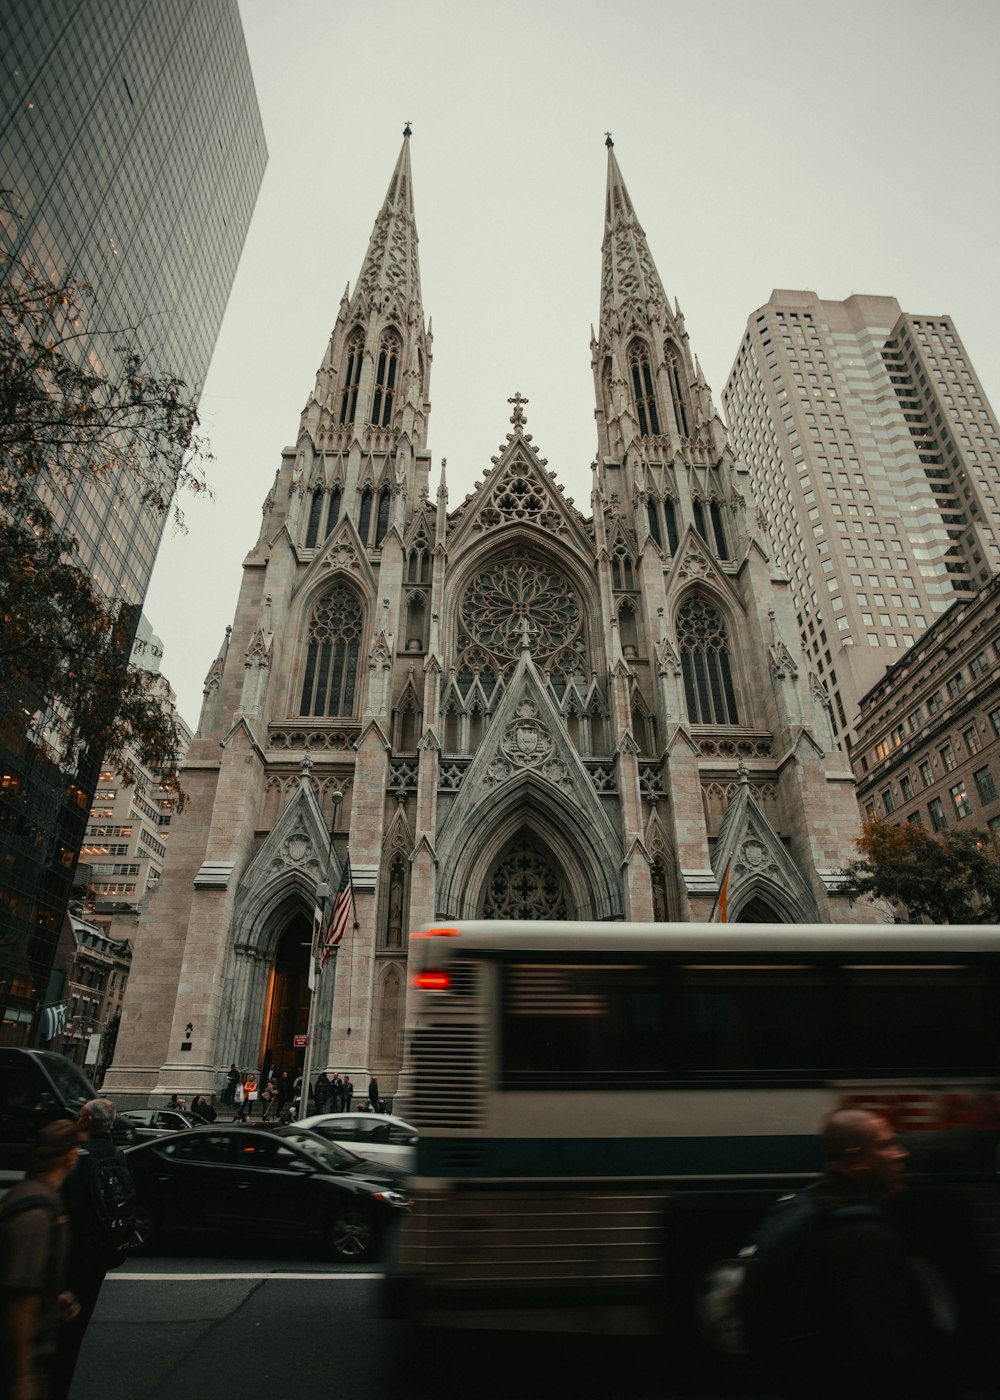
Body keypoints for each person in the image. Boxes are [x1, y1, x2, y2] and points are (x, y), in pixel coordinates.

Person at [744, 1108, 947, 1400]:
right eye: (886, 1145)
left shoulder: (800, 1209)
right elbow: (882, 1345)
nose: (900, 1155)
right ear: (856, 1159)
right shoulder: (864, 1234)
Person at [53, 1099, 136, 1399]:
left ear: (86, 1122)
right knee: (74, 1333)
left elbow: (63, 1212)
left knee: (51, 1335)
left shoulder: (77, 1159)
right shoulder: (119, 1156)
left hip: (72, 1258)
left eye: (79, 1117)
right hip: (100, 1254)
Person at [0, 1120, 79, 1400]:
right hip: (18, 1359)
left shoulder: (36, 1194)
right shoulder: (37, 1210)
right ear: (70, 1156)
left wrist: (53, 1295)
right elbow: (20, 1297)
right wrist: (22, 1377)